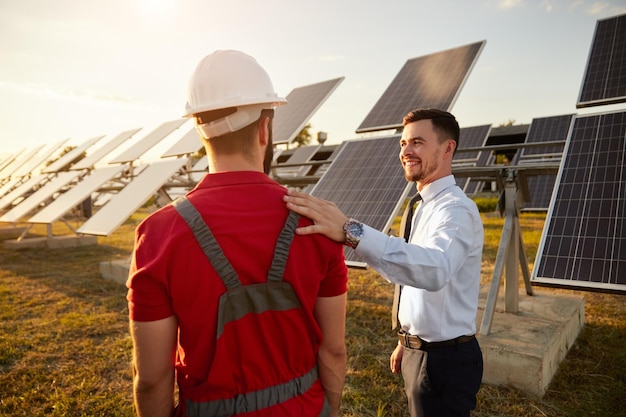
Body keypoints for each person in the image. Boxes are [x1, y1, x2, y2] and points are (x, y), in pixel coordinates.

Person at [127, 50, 348, 417]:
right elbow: (333, 350)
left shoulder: (158, 233)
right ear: (265, 128)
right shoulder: (318, 221)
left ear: (200, 131)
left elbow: (152, 378)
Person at [284, 108, 484, 417]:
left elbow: (434, 270)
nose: (406, 151)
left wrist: (353, 232)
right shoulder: (422, 206)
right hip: (423, 352)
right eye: (403, 144)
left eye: (417, 142)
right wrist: (408, 339)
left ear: (448, 148)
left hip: (446, 360)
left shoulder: (456, 210)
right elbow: (409, 271)